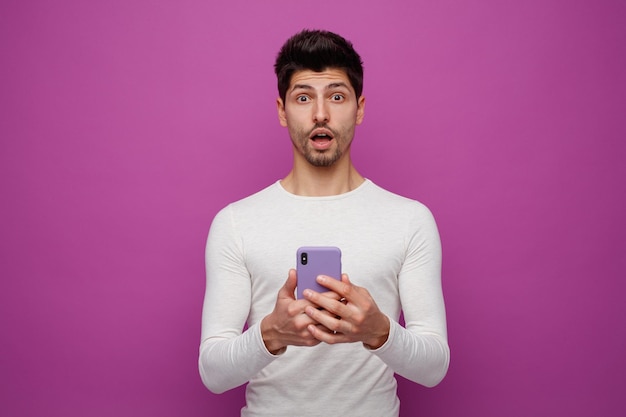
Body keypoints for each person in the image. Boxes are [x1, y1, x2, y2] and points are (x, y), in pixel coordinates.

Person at [199, 29, 449, 417]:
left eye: (336, 96)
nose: (320, 113)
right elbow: (213, 372)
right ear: (282, 111)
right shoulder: (235, 223)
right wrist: (271, 335)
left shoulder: (410, 220)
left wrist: (379, 332)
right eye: (303, 98)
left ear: (359, 108)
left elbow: (434, 367)